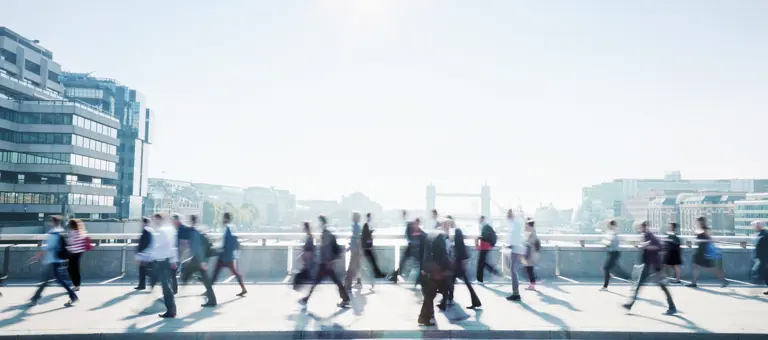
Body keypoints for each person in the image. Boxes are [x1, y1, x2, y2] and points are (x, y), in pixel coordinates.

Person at [623, 221, 677, 315]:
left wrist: (648, 246)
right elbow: (647, 247)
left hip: (655, 266)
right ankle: (630, 304)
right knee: (639, 285)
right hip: (649, 265)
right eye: (641, 227)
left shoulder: (650, 236)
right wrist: (642, 246)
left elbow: (659, 247)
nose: (641, 229)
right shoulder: (646, 236)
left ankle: (672, 307)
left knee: (662, 286)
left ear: (646, 227)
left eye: (642, 227)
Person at [300, 215, 351, 308]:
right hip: (326, 263)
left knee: (320, 282)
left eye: (319, 222)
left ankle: (305, 299)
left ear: (322, 223)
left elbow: (326, 249)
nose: (318, 224)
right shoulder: (326, 233)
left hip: (325, 264)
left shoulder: (325, 234)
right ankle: (346, 299)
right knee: (334, 282)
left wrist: (328, 262)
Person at [29, 215, 78, 307]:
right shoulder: (61, 232)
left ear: (54, 222)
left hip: (52, 260)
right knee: (49, 280)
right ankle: (36, 297)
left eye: (52, 221)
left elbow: (47, 247)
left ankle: (72, 295)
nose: (50, 223)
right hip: (57, 260)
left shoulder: (53, 233)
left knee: (54, 280)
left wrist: (37, 256)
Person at [180, 215, 217, 307]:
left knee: (186, 268)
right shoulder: (198, 229)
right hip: (200, 259)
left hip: (198, 259)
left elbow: (198, 248)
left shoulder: (194, 231)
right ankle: (212, 300)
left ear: (191, 221)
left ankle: (182, 285)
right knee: (205, 280)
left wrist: (202, 261)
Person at [418, 225, 452, 326]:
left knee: (429, 295)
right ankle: (424, 318)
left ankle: (423, 317)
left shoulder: (429, 237)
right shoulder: (440, 239)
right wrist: (447, 267)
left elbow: (422, 253)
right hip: (435, 271)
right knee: (430, 295)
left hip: (427, 269)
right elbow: (442, 255)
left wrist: (423, 269)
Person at [210, 212, 248, 297]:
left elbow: (226, 242)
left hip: (225, 255)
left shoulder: (228, 229)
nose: (222, 220)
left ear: (226, 219)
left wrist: (220, 249)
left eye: (223, 218)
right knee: (233, 272)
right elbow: (234, 242)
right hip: (229, 255)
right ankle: (243, 288)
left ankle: (208, 290)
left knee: (216, 273)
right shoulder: (231, 228)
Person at [150, 213, 178, 318]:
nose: (154, 222)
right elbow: (173, 246)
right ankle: (171, 309)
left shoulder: (161, 231)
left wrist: (150, 257)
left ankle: (171, 311)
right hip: (168, 261)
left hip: (162, 262)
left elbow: (157, 247)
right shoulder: (170, 230)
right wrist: (173, 260)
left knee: (166, 288)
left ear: (159, 220)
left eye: (155, 220)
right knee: (167, 287)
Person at [687, 217, 727, 288]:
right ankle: (693, 283)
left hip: (705, 252)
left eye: (698, 222)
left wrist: (701, 241)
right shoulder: (699, 230)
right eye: (697, 222)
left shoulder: (705, 230)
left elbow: (711, 240)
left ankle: (723, 280)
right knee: (696, 266)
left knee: (713, 268)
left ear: (702, 222)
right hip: (699, 251)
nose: (697, 223)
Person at [452, 227, 481, 309]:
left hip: (458, 267)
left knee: (452, 282)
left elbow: (457, 256)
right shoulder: (461, 243)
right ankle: (476, 301)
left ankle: (476, 301)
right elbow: (465, 256)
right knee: (465, 284)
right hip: (460, 266)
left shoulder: (457, 244)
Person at [601, 220, 630, 290]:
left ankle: (605, 285)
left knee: (607, 268)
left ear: (613, 226)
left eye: (610, 225)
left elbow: (610, 242)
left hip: (614, 253)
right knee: (611, 269)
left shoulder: (614, 232)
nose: (608, 226)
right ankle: (629, 279)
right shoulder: (611, 232)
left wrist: (605, 243)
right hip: (612, 253)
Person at [504, 210, 526, 301]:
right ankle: (516, 292)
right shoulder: (516, 224)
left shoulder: (515, 224)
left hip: (516, 249)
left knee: (513, 270)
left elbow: (514, 237)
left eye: (508, 216)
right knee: (513, 270)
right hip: (517, 249)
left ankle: (516, 293)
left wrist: (509, 244)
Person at [388, 210, 414, 283]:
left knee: (403, 261)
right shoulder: (408, 222)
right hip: (411, 245)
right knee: (404, 261)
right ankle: (395, 276)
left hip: (412, 246)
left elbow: (409, 235)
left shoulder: (408, 222)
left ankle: (395, 276)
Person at [476, 215, 500, 283]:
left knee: (481, 263)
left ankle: (480, 279)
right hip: (485, 246)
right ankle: (495, 272)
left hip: (484, 247)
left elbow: (485, 237)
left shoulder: (485, 226)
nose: (479, 221)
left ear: (483, 220)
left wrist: (479, 238)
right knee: (483, 263)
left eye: (480, 219)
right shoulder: (485, 226)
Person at [361, 213, 385, 279]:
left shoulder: (367, 225)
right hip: (366, 248)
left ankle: (378, 274)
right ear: (368, 217)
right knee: (373, 261)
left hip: (366, 247)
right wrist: (369, 244)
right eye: (370, 217)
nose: (370, 218)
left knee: (373, 261)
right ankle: (378, 274)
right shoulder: (366, 225)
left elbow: (366, 235)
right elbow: (365, 236)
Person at [66, 219, 88, 292]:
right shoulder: (81, 231)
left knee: (71, 269)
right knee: (76, 269)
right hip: (80, 252)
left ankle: (76, 285)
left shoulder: (72, 232)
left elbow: (70, 242)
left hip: (73, 253)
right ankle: (77, 285)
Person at [344, 212, 363, 291]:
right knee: (356, 267)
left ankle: (348, 285)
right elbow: (355, 239)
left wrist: (357, 249)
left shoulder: (356, 227)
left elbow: (357, 239)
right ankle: (358, 282)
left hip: (355, 250)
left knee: (351, 268)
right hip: (355, 249)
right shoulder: (356, 226)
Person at [293, 221, 315, 290]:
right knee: (304, 274)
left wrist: (303, 255)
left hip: (308, 258)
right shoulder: (309, 236)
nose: (303, 229)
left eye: (304, 227)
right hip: (308, 258)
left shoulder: (309, 237)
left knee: (300, 276)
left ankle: (297, 288)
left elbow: (309, 249)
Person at [135, 217, 155, 290]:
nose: (140, 224)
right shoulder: (151, 230)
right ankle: (144, 285)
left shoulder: (146, 231)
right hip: (149, 254)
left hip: (145, 255)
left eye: (141, 222)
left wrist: (140, 255)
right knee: (146, 271)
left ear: (144, 222)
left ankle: (142, 285)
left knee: (144, 271)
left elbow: (144, 244)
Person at [522, 218, 541, 291]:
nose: (525, 226)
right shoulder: (531, 231)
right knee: (529, 269)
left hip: (530, 254)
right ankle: (532, 284)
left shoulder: (532, 232)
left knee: (529, 269)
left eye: (526, 224)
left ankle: (532, 284)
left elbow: (530, 242)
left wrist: (525, 241)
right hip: (530, 253)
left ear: (529, 225)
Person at [751, 221, 768, 295]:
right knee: (765, 274)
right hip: (761, 258)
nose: (754, 227)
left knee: (764, 274)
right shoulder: (761, 234)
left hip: (765, 259)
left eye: (755, 226)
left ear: (759, 226)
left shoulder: (765, 234)